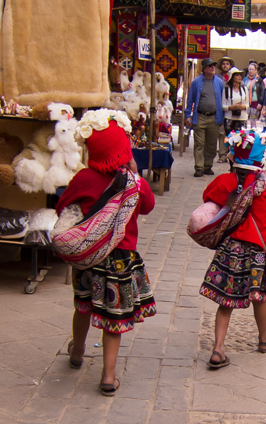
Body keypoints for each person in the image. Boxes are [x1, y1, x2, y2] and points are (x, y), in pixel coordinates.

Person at [56, 113, 156, 396]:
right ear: (125, 150)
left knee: (84, 305)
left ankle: (77, 351)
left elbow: (62, 205)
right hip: (121, 261)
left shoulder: (84, 177)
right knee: (114, 318)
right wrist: (135, 173)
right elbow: (147, 206)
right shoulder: (134, 182)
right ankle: (108, 377)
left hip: (90, 259)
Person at [199, 131, 266, 368]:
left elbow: (207, 196)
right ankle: (263, 339)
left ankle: (218, 350)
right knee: (259, 298)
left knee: (225, 301)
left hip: (230, 250)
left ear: (234, 157)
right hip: (258, 253)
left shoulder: (224, 182)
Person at [185, 58, 225, 177]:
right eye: (210, 66)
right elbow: (190, 99)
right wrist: (188, 115)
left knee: (212, 144)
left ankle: (208, 166)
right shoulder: (196, 82)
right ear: (204, 68)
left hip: (214, 117)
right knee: (199, 143)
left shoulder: (219, 82)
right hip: (200, 116)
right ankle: (199, 167)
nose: (213, 68)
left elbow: (223, 99)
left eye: (213, 65)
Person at [222, 67, 249, 147]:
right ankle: (230, 157)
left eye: (240, 75)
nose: (239, 77)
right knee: (230, 141)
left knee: (241, 141)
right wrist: (232, 107)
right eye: (237, 75)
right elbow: (223, 106)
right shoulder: (226, 90)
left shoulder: (244, 89)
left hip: (242, 118)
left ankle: (239, 158)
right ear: (232, 77)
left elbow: (248, 104)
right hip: (229, 118)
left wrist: (242, 107)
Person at [243, 62, 265, 130]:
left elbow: (262, 92)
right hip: (246, 102)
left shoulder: (259, 80)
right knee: (245, 120)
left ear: (256, 70)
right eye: (249, 69)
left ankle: (253, 135)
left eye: (252, 69)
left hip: (255, 102)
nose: (251, 71)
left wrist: (260, 103)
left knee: (253, 121)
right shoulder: (245, 79)